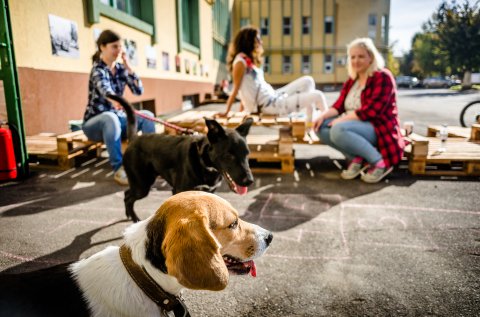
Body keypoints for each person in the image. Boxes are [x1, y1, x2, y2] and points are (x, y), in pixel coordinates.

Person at [313, 37, 404, 183]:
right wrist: (322, 116)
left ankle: (380, 163)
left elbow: (372, 111)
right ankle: (356, 158)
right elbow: (338, 106)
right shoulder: (352, 80)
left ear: (371, 57)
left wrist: (340, 120)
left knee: (337, 129)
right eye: (353, 57)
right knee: (320, 127)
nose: (356, 60)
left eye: (361, 56)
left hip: (379, 128)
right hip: (352, 126)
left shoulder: (382, 76)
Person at [218, 26, 328, 135]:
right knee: (318, 96)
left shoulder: (247, 60)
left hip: (274, 96)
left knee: (308, 81)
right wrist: (227, 112)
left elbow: (247, 88)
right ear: (249, 41)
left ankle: (309, 125)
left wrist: (242, 110)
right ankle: (327, 125)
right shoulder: (240, 62)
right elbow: (237, 89)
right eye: (257, 39)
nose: (260, 41)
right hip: (270, 105)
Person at [82, 30, 155, 185]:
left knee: (147, 115)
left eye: (120, 47)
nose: (118, 51)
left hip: (116, 120)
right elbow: (106, 91)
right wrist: (117, 101)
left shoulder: (121, 69)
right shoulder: (98, 69)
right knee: (111, 118)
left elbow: (138, 90)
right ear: (102, 47)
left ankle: (151, 162)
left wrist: (129, 67)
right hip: (94, 124)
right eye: (114, 46)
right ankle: (119, 168)